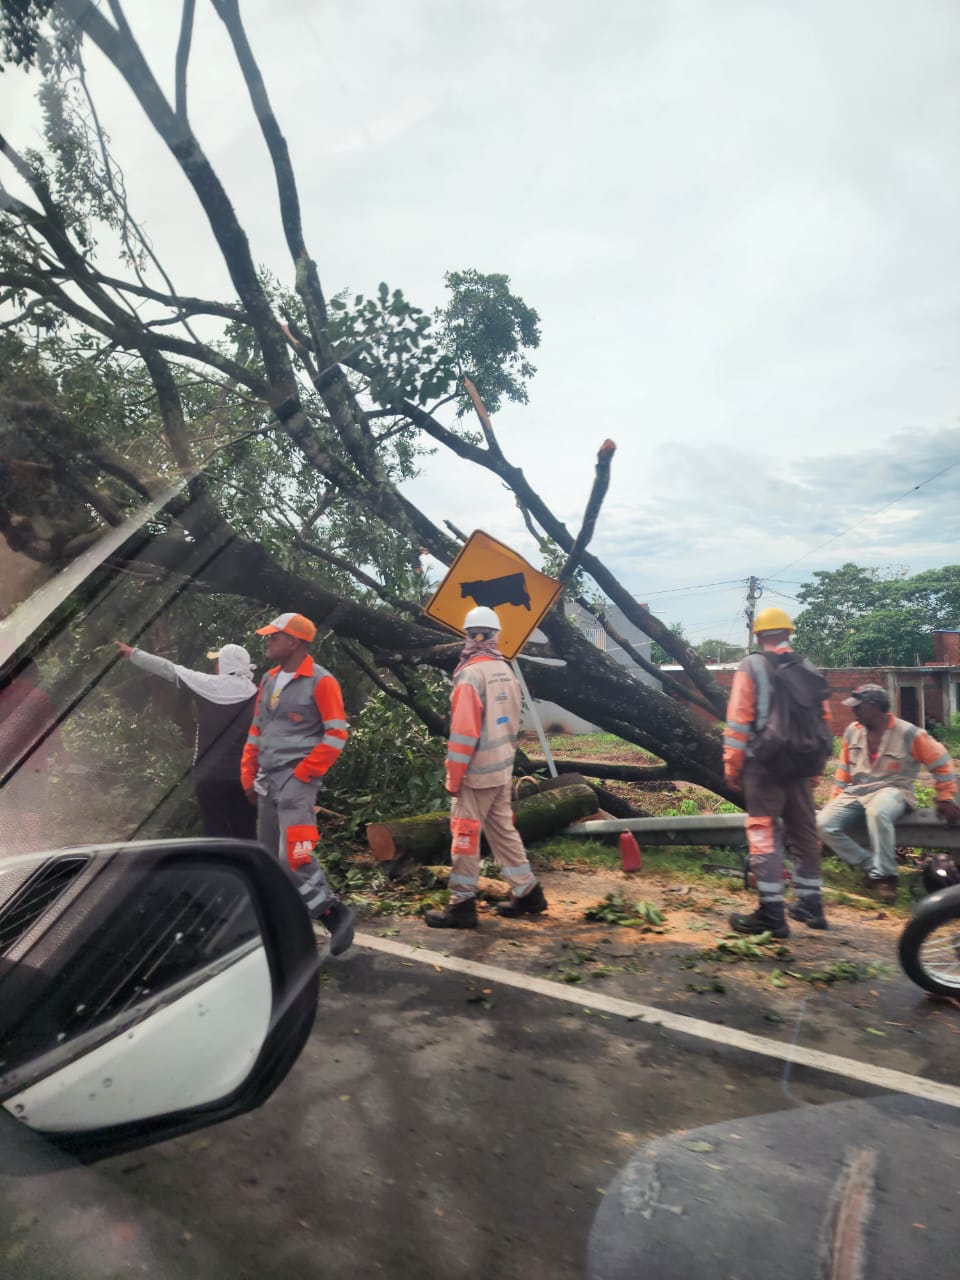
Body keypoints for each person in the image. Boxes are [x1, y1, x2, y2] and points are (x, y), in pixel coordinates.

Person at [425, 605, 548, 929]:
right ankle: (528, 892)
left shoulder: (470, 675)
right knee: (503, 832)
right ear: (495, 637)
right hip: (501, 770)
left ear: (467, 636)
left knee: (464, 838)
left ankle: (461, 906)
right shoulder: (505, 670)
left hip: (475, 776)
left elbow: (464, 734)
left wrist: (454, 777)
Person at [240, 612, 354, 954]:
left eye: (274, 636)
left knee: (295, 857)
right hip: (267, 782)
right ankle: (286, 929)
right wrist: (248, 774)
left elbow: (337, 734)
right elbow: (257, 729)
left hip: (297, 784)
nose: (268, 641)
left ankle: (333, 913)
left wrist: (304, 774)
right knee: (270, 862)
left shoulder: (322, 682)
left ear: (295, 641)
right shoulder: (269, 680)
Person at [723, 607, 831, 938]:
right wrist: (816, 766)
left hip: (765, 765)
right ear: (788, 633)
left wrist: (732, 763)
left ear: (758, 636)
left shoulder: (752, 666)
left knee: (763, 833)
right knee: (804, 833)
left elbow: (739, 720)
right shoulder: (807, 667)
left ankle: (772, 913)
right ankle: (812, 906)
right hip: (801, 764)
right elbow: (824, 720)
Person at [817, 684, 960, 903]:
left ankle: (887, 878)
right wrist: (835, 801)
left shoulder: (909, 733)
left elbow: (941, 762)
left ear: (874, 707)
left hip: (894, 789)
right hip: (857, 791)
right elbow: (844, 771)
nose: (853, 712)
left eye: (858, 707)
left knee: (878, 811)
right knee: (822, 823)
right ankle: (872, 868)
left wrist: (945, 796)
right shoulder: (852, 731)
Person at [114, 640, 258, 839]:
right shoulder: (258, 694)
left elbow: (169, 669)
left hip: (209, 776)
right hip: (245, 778)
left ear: (223, 665)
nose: (215, 666)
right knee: (246, 832)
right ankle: (248, 869)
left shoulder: (207, 684)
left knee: (215, 832)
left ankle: (219, 868)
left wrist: (133, 653)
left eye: (217, 662)